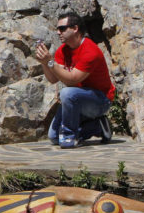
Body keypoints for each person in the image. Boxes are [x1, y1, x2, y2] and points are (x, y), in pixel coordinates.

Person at [34, 12, 115, 149]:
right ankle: (98, 126)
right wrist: (44, 62)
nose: (59, 32)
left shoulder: (90, 51)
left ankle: (69, 136)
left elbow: (71, 80)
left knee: (67, 93)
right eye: (57, 29)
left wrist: (50, 62)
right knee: (53, 137)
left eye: (62, 29)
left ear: (75, 28)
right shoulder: (62, 51)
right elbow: (53, 79)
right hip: (76, 100)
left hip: (100, 100)